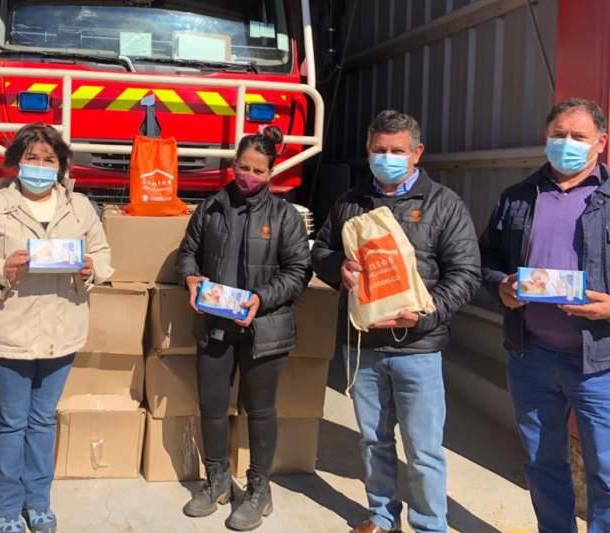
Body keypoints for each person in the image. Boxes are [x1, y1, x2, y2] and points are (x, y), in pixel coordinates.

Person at [312, 110, 481, 533]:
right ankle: (383, 518)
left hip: (418, 350)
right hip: (365, 346)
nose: (387, 157)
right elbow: (321, 250)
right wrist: (338, 269)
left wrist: (427, 314)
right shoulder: (351, 202)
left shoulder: (443, 204)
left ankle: (429, 525)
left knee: (423, 450)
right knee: (373, 441)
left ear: (416, 153)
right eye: (379, 150)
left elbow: (466, 274)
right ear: (368, 152)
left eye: (397, 151)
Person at [0, 123, 112, 533]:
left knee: (43, 420)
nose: (39, 167)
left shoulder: (80, 208)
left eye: (48, 160)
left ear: (61, 166)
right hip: (8, 332)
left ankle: (38, 501)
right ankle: (7, 507)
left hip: (62, 330)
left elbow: (104, 254)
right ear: (17, 162)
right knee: (10, 420)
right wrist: (0, 268)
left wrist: (94, 268)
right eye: (31, 159)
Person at [480, 98, 610, 533]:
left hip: (599, 364)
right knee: (542, 465)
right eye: (558, 135)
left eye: (578, 137)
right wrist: (501, 285)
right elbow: (486, 259)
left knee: (608, 475)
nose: (566, 144)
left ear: (601, 143)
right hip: (531, 356)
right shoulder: (518, 197)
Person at [176, 126, 311, 532]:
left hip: (264, 328)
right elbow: (187, 254)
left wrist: (261, 298)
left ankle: (258, 489)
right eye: (242, 166)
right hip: (216, 326)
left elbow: (298, 271)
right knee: (213, 406)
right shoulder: (211, 208)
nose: (247, 176)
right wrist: (191, 279)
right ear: (232, 164)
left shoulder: (284, 216)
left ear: (271, 173)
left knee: (260, 409)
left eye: (257, 170)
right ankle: (216, 479)